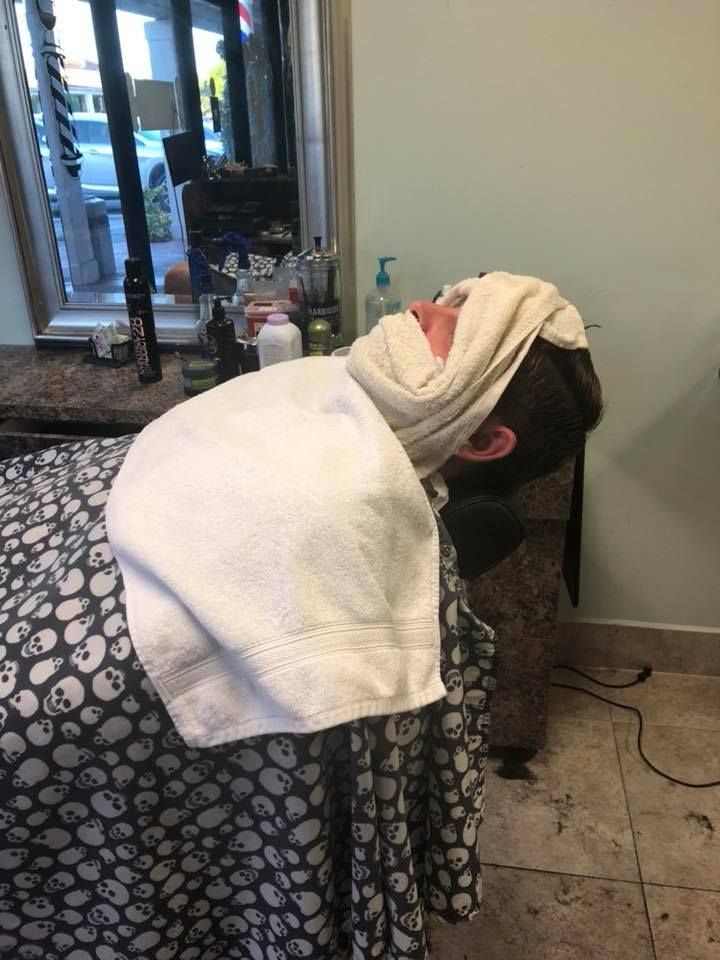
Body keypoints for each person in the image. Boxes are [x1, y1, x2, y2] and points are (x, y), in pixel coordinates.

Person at [0, 273, 602, 960]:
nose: (420, 308)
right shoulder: (337, 387)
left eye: (453, 332)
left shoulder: (335, 507)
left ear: (484, 442)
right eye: (449, 302)